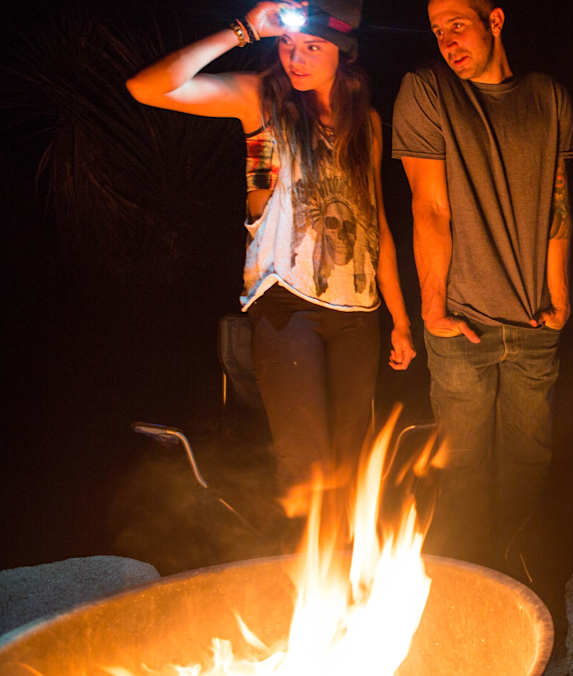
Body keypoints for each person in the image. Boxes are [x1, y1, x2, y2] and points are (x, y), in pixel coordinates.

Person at [126, 0, 416, 495]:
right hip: (285, 304)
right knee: (307, 462)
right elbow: (147, 88)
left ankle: (348, 567)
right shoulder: (260, 100)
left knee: (352, 463)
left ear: (343, 54)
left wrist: (402, 322)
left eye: (311, 47)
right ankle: (302, 563)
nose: (294, 58)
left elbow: (378, 226)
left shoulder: (365, 124)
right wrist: (242, 32)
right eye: (286, 44)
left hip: (359, 313)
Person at [391, 0, 573, 569]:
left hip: (532, 325)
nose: (447, 42)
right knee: (462, 478)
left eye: (458, 26)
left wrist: (560, 297)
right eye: (437, 31)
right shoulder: (427, 91)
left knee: (529, 472)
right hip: (462, 329)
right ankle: (467, 605)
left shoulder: (548, 97)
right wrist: (433, 311)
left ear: (494, 21)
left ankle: (525, 595)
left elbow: (557, 202)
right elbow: (430, 207)